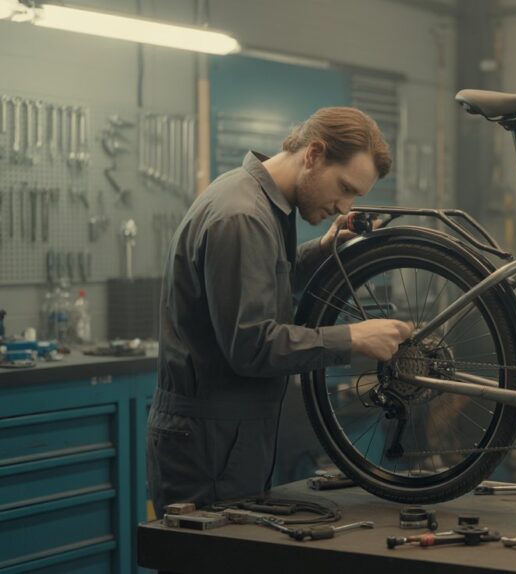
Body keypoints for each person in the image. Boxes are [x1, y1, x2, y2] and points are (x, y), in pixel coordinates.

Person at [146, 107, 412, 517]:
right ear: (314, 155)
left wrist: (322, 250)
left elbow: (262, 281)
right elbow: (251, 344)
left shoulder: (260, 202)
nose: (345, 207)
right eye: (344, 187)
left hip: (227, 433)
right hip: (209, 443)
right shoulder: (242, 216)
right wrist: (353, 338)